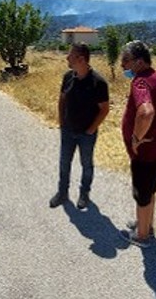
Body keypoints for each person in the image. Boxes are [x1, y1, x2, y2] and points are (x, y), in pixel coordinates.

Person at [119, 40, 156, 248]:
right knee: (149, 190)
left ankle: (142, 236)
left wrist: (136, 138)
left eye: (126, 60)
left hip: (147, 153)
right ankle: (146, 224)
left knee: (141, 193)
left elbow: (146, 112)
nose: (122, 65)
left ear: (139, 62)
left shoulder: (140, 82)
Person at [50, 43, 110, 210]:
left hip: (86, 134)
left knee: (86, 164)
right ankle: (62, 193)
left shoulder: (98, 82)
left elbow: (104, 110)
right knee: (64, 163)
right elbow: (62, 100)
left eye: (70, 55)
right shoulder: (68, 77)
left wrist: (91, 129)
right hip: (68, 130)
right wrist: (62, 122)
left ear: (81, 59)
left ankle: (84, 194)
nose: (67, 58)